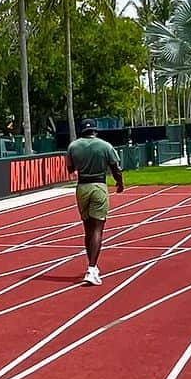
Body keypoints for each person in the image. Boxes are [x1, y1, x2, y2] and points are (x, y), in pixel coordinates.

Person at [65, 120, 124, 286]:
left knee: (87, 228)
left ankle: (92, 265)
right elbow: (115, 168)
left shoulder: (73, 147)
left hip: (82, 187)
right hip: (98, 185)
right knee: (98, 229)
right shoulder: (105, 146)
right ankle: (91, 268)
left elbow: (70, 169)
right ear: (95, 131)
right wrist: (120, 183)